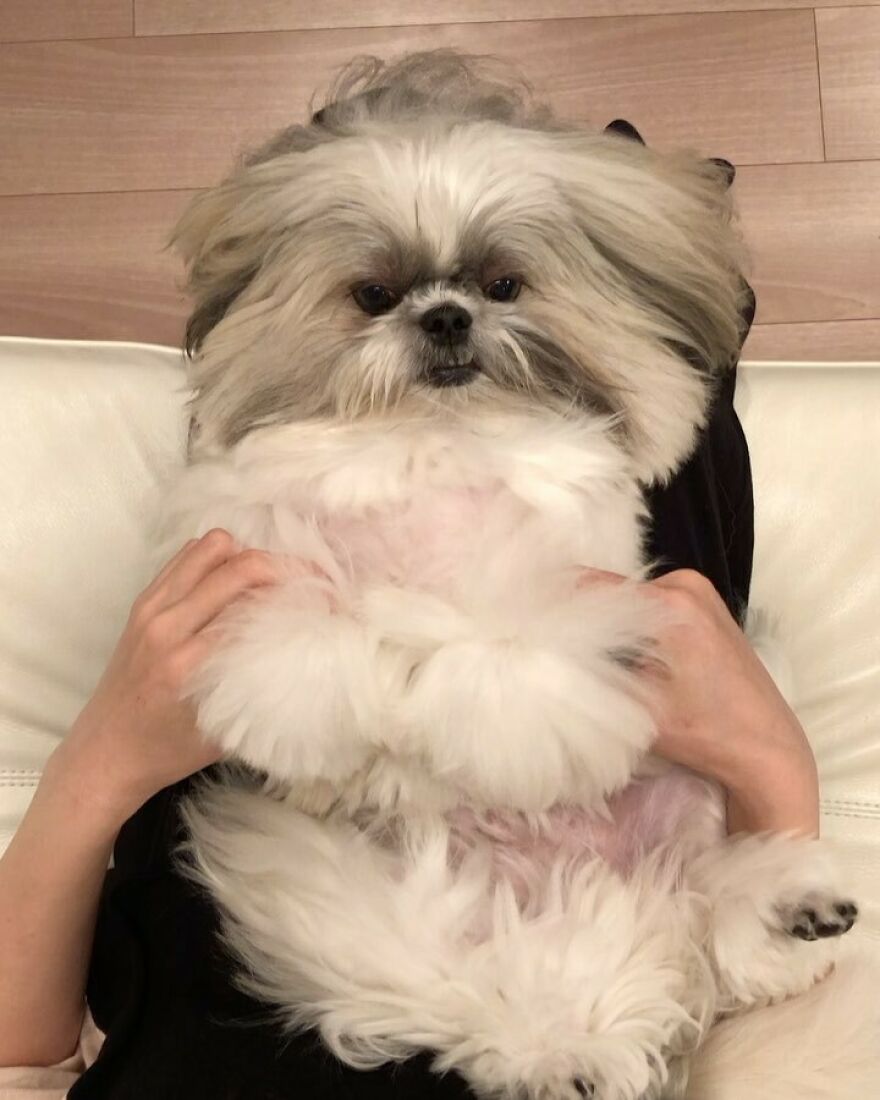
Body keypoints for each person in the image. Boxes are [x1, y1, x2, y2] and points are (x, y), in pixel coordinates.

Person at [0, 344, 825, 1098]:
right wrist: (770, 766)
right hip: (596, 939)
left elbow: (17, 1056)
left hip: (310, 738)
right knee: (624, 365)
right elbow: (766, 1024)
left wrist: (101, 762)